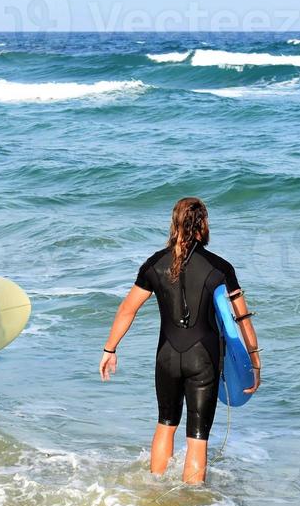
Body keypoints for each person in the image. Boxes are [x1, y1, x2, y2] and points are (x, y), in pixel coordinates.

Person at [99, 197, 260, 484]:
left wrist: (110, 349)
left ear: (175, 223)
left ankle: (153, 491)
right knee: (197, 438)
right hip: (204, 360)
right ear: (204, 224)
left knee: (165, 424)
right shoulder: (221, 268)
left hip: (167, 358)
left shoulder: (154, 264)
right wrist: (254, 362)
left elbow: (127, 309)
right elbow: (241, 319)